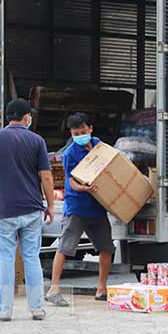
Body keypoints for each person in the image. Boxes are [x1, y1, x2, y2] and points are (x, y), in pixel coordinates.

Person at [0, 98, 54, 321]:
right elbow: (46, 177)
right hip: (31, 210)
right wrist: (49, 205)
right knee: (31, 258)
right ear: (26, 116)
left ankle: (4, 310)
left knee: (6, 259)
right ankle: (37, 308)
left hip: (4, 211)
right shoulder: (37, 140)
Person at [46, 112, 115, 306]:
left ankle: (101, 289)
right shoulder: (70, 154)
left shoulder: (99, 146)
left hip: (97, 206)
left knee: (106, 248)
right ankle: (54, 287)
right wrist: (84, 188)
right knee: (65, 247)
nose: (80, 136)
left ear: (90, 129)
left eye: (83, 131)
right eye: (76, 133)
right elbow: (71, 182)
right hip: (77, 206)